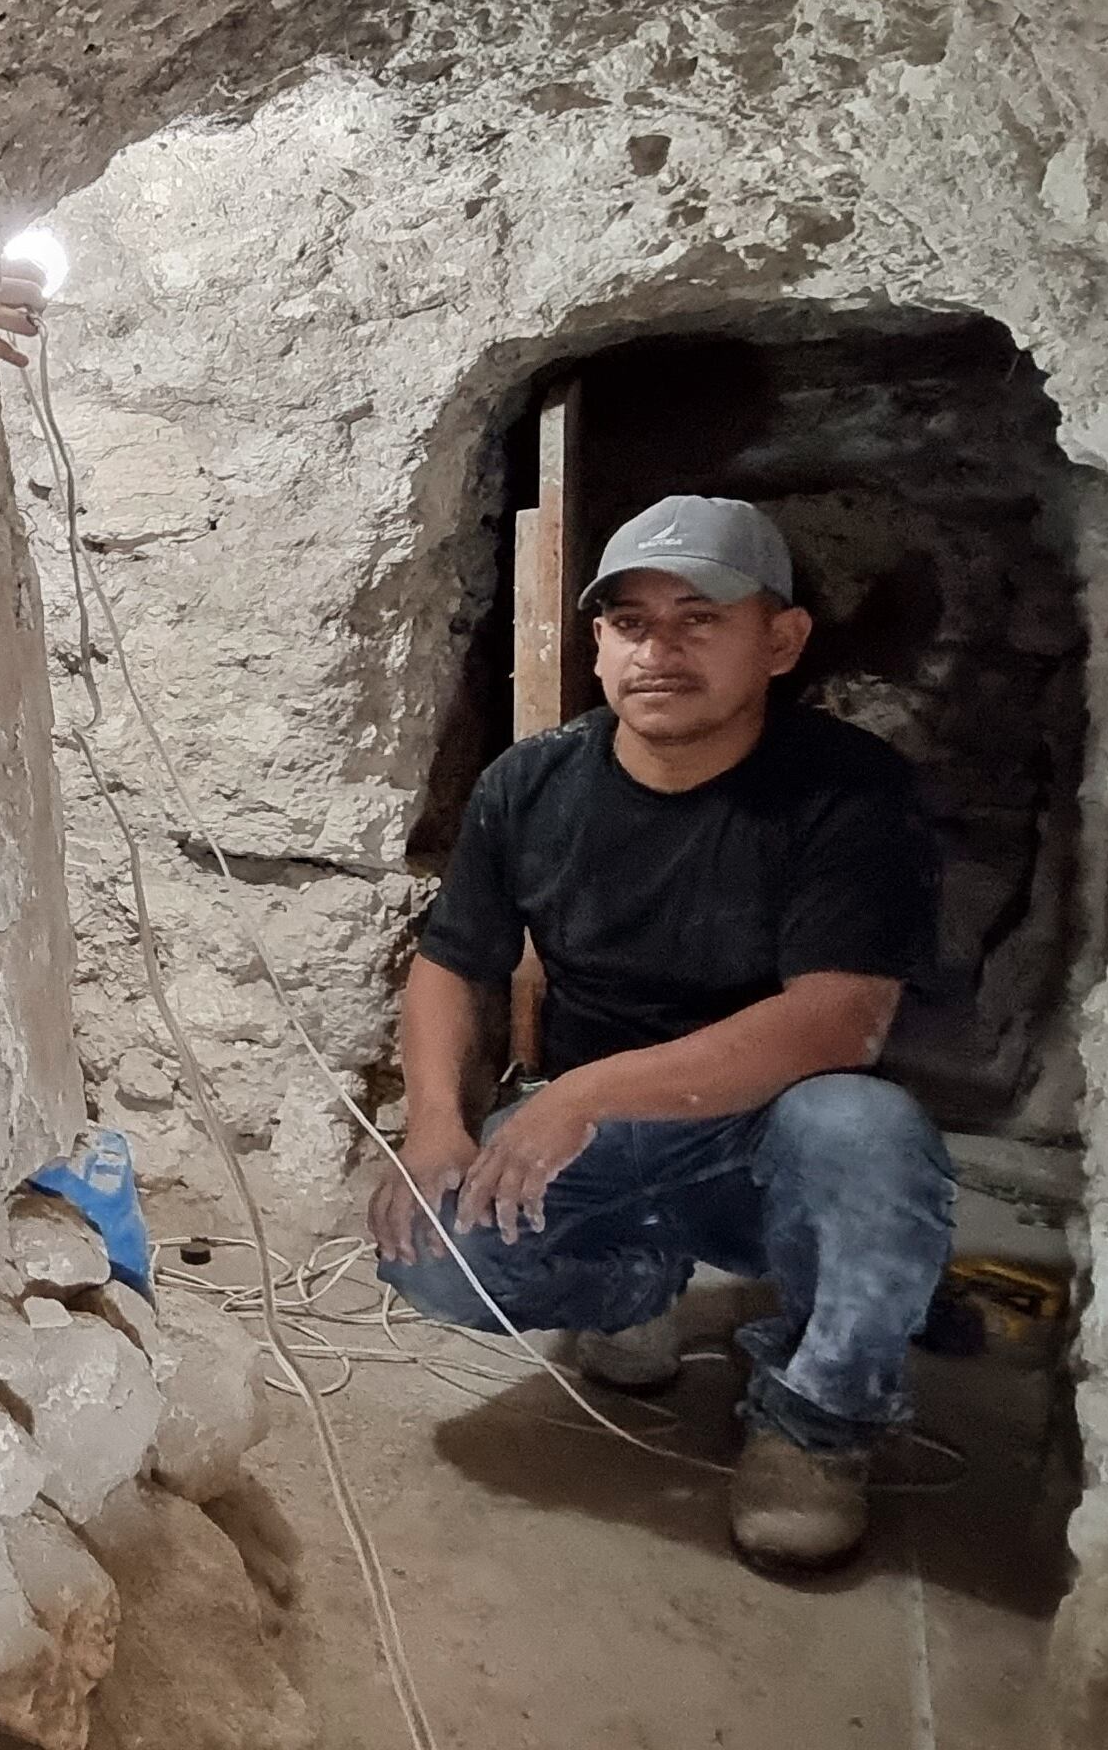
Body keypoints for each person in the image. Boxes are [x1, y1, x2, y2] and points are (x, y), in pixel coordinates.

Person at [366, 493, 953, 1572]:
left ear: (780, 641)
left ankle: (816, 1422)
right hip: (601, 1139)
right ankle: (636, 1287)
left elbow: (838, 1021)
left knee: (867, 1134)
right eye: (630, 623)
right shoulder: (531, 784)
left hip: (765, 1134)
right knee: (431, 1256)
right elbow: (454, 963)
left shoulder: (848, 792)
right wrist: (435, 1123)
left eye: (699, 620)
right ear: (597, 643)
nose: (658, 651)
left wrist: (582, 1093)